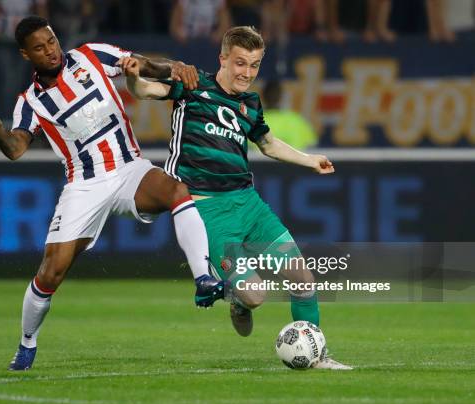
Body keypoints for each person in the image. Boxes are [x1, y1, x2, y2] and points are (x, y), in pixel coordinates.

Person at [0, 16, 226, 371]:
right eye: (39, 47)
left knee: (176, 190)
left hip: (129, 168)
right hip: (83, 185)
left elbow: (146, 65)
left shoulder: (91, 55)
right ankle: (26, 344)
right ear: (25, 55)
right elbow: (16, 148)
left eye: (51, 40)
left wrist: (169, 68)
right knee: (51, 272)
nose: (50, 50)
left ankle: (203, 278)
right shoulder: (31, 102)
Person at [121, 25, 351, 369]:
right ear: (223, 59)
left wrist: (309, 160)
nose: (247, 73)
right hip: (207, 211)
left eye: (254, 65)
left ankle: (316, 355)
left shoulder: (250, 104)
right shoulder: (194, 84)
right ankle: (238, 300)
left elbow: (268, 143)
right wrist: (133, 77)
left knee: (303, 279)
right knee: (255, 296)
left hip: (249, 204)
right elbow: (145, 90)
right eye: (240, 63)